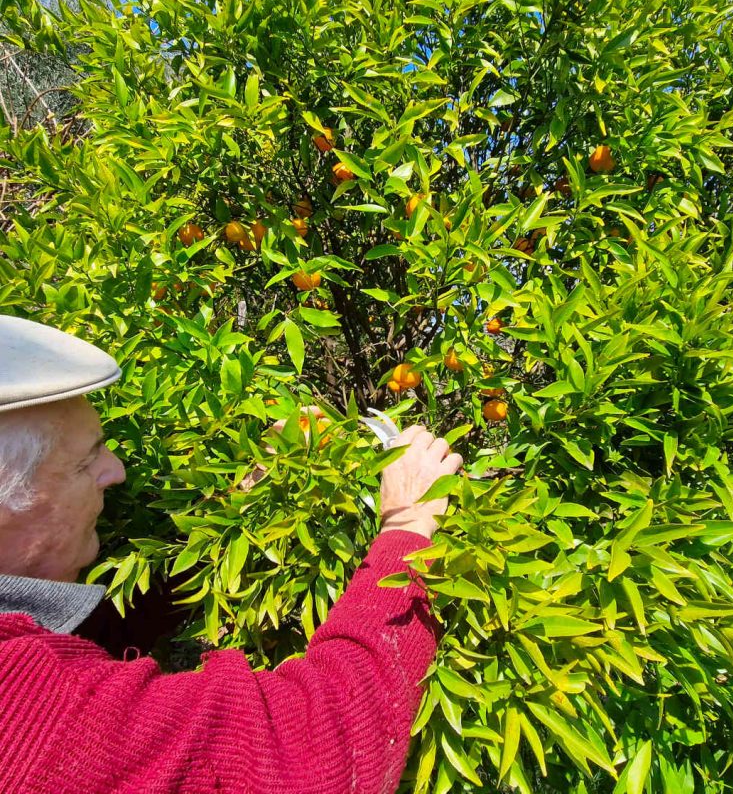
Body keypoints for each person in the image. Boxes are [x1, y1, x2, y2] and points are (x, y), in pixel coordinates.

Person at [0, 314, 463, 793]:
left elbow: (103, 633)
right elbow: (311, 758)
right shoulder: (30, 722)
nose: (115, 471)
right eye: (85, 461)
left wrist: (242, 510)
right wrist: (409, 526)